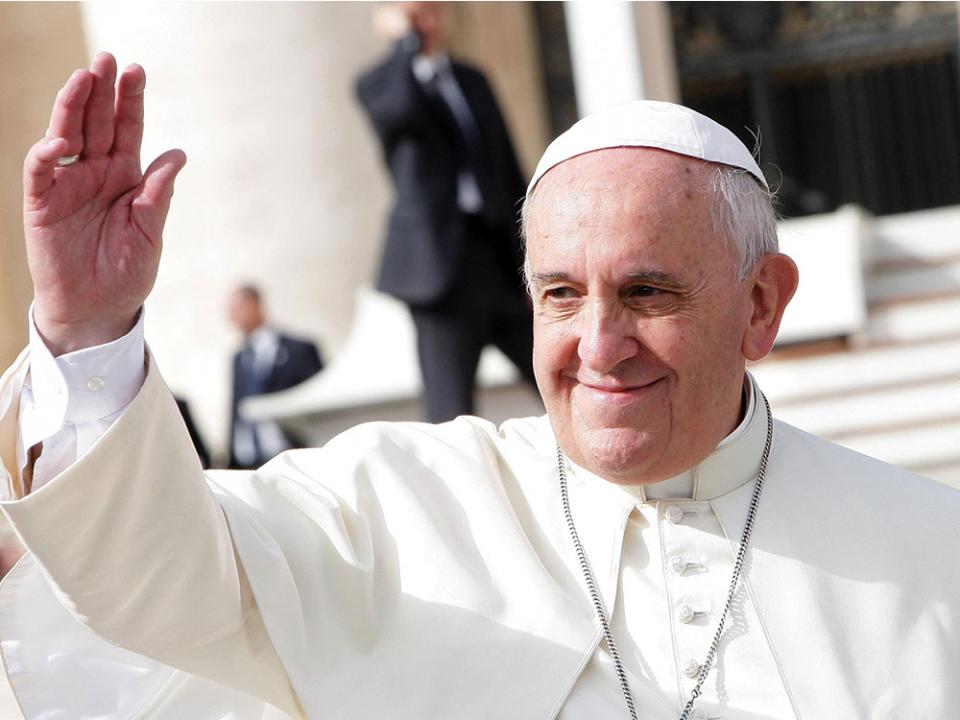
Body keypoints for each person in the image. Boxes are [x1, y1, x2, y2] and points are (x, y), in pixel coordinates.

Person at [0, 51, 957, 719]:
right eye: (560, 295)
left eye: (648, 292)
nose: (600, 343)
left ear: (760, 305)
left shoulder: (929, 555)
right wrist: (89, 331)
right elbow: (159, 587)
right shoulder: (396, 503)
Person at [356, 2, 537, 422]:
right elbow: (399, 112)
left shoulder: (472, 79)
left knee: (561, 377)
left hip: (498, 257)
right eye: (415, 16)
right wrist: (404, 43)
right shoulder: (379, 83)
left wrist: (533, 251)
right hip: (439, 273)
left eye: (433, 12)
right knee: (450, 409)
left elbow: (507, 167)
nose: (428, 25)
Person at [226, 285, 325, 469]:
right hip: (248, 461)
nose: (232, 317)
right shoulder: (239, 358)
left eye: (237, 309)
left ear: (255, 305)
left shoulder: (298, 350)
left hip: (290, 454)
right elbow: (237, 408)